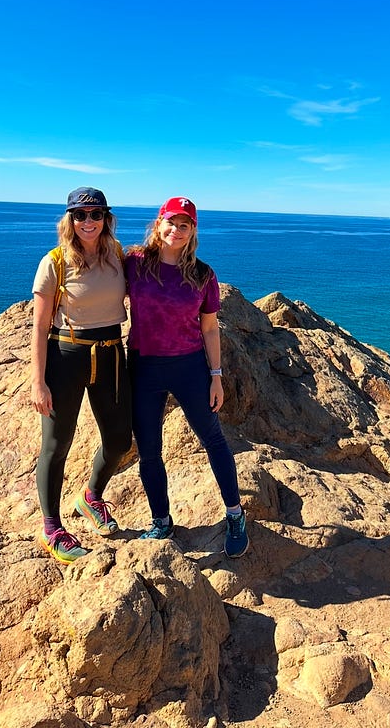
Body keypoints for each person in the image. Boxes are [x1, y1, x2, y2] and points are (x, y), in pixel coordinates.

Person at [125, 196, 249, 557]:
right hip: (144, 367)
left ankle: (235, 514)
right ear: (158, 222)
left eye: (185, 225)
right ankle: (161, 521)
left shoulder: (202, 274)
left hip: (190, 366)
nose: (176, 230)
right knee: (149, 450)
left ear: (193, 230)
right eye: (171, 222)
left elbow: (210, 328)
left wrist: (216, 375)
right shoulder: (135, 263)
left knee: (213, 439)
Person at [31, 187, 132, 564]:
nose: (88, 222)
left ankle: (91, 496)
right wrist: (37, 380)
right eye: (80, 215)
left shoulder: (118, 255)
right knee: (57, 444)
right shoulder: (55, 261)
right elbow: (39, 326)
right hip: (66, 354)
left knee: (120, 439)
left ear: (107, 218)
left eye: (95, 214)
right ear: (69, 220)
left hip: (110, 353)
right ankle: (52, 527)